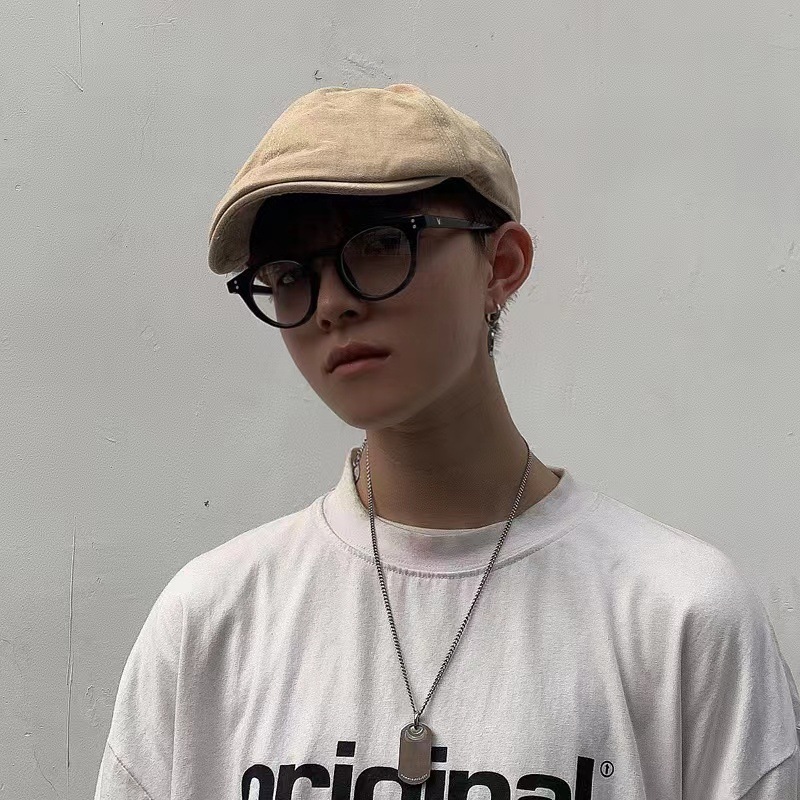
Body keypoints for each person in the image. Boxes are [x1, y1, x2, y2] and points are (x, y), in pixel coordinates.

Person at [94, 84, 800, 800]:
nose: (330, 303)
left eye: (378, 244)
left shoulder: (682, 619)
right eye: (287, 274)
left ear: (502, 264)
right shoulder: (212, 622)